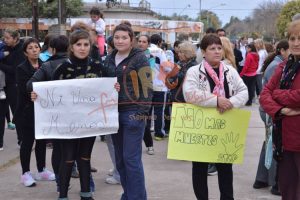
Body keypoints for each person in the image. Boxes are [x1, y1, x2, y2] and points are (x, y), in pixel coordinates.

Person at [183, 34, 248, 200]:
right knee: (200, 168)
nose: (217, 52)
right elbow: (189, 94)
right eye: (212, 49)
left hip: (224, 125)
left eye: (219, 48)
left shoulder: (229, 71)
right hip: (202, 127)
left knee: (225, 167)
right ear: (204, 52)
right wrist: (216, 100)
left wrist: (230, 103)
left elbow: (244, 91)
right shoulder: (194, 71)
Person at [49, 30, 104, 200]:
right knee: (68, 158)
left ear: (90, 46)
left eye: (86, 44)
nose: (82, 48)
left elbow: (106, 90)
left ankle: (86, 193)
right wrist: (37, 95)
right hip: (68, 123)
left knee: (85, 158)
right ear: (71, 47)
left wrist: (114, 89)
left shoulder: (97, 67)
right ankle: (63, 195)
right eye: (78, 44)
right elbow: (50, 94)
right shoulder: (63, 68)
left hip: (90, 122)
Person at [104, 23, 153, 200]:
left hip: (132, 113)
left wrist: (141, 113)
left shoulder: (139, 58)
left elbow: (147, 88)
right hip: (113, 114)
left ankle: (137, 197)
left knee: (131, 160)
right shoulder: (109, 58)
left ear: (131, 40)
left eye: (124, 37)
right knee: (120, 161)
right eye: (117, 37)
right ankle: (129, 195)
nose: (120, 40)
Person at [260, 20, 300, 200]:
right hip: (283, 141)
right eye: (292, 38)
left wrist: (277, 94)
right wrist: (281, 110)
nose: (296, 43)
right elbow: (264, 95)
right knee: (287, 190)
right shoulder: (283, 67)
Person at [27, 35, 70, 192]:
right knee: (77, 151)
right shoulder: (76, 63)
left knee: (58, 149)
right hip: (77, 117)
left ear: (51, 48)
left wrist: (40, 90)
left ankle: (60, 183)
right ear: (70, 47)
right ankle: (84, 184)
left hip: (55, 116)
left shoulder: (47, 66)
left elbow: (29, 84)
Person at [14, 38, 55, 187]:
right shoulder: (21, 68)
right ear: (25, 52)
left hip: (42, 110)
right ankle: (25, 173)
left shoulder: (46, 66)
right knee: (27, 142)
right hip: (26, 111)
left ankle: (41, 169)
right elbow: (24, 89)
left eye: (36, 47)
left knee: (41, 141)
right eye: (30, 48)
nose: (34, 50)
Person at [253, 39, 289, 196]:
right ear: (282, 51)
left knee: (269, 142)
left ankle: (261, 179)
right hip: (271, 110)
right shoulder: (277, 66)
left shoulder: (276, 63)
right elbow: (274, 92)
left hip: (269, 109)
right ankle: (276, 183)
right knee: (275, 143)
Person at [0, 28, 26, 147]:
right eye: (4, 38)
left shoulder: (21, 50)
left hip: (14, 85)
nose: (5, 40)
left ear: (15, 39)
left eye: (7, 38)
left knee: (17, 112)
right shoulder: (5, 48)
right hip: (3, 85)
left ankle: (22, 139)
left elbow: (15, 70)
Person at [148, 34, 170, 141]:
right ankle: (159, 133)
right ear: (159, 42)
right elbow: (167, 68)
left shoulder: (145, 50)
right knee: (159, 110)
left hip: (146, 85)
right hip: (159, 84)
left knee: (147, 109)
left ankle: (145, 132)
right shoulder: (160, 51)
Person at [137, 34, 156, 155]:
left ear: (148, 44)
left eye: (144, 42)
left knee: (144, 120)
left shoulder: (151, 56)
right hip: (132, 91)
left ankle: (149, 145)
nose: (141, 43)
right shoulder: (133, 54)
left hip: (146, 91)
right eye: (139, 41)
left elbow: (149, 72)